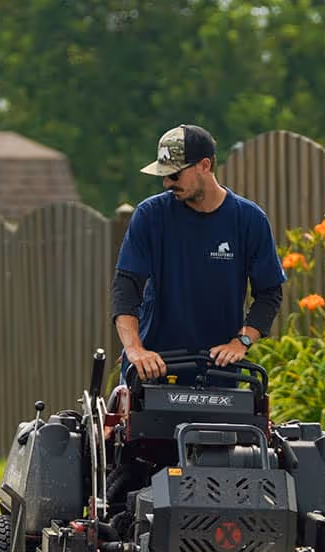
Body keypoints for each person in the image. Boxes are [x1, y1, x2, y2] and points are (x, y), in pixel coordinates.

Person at [111, 124, 285, 385]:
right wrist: (135, 349)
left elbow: (270, 292)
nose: (167, 183)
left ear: (205, 165)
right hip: (152, 370)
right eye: (164, 176)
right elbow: (126, 287)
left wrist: (242, 341)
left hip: (217, 374)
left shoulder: (249, 220)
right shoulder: (151, 216)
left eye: (175, 175)